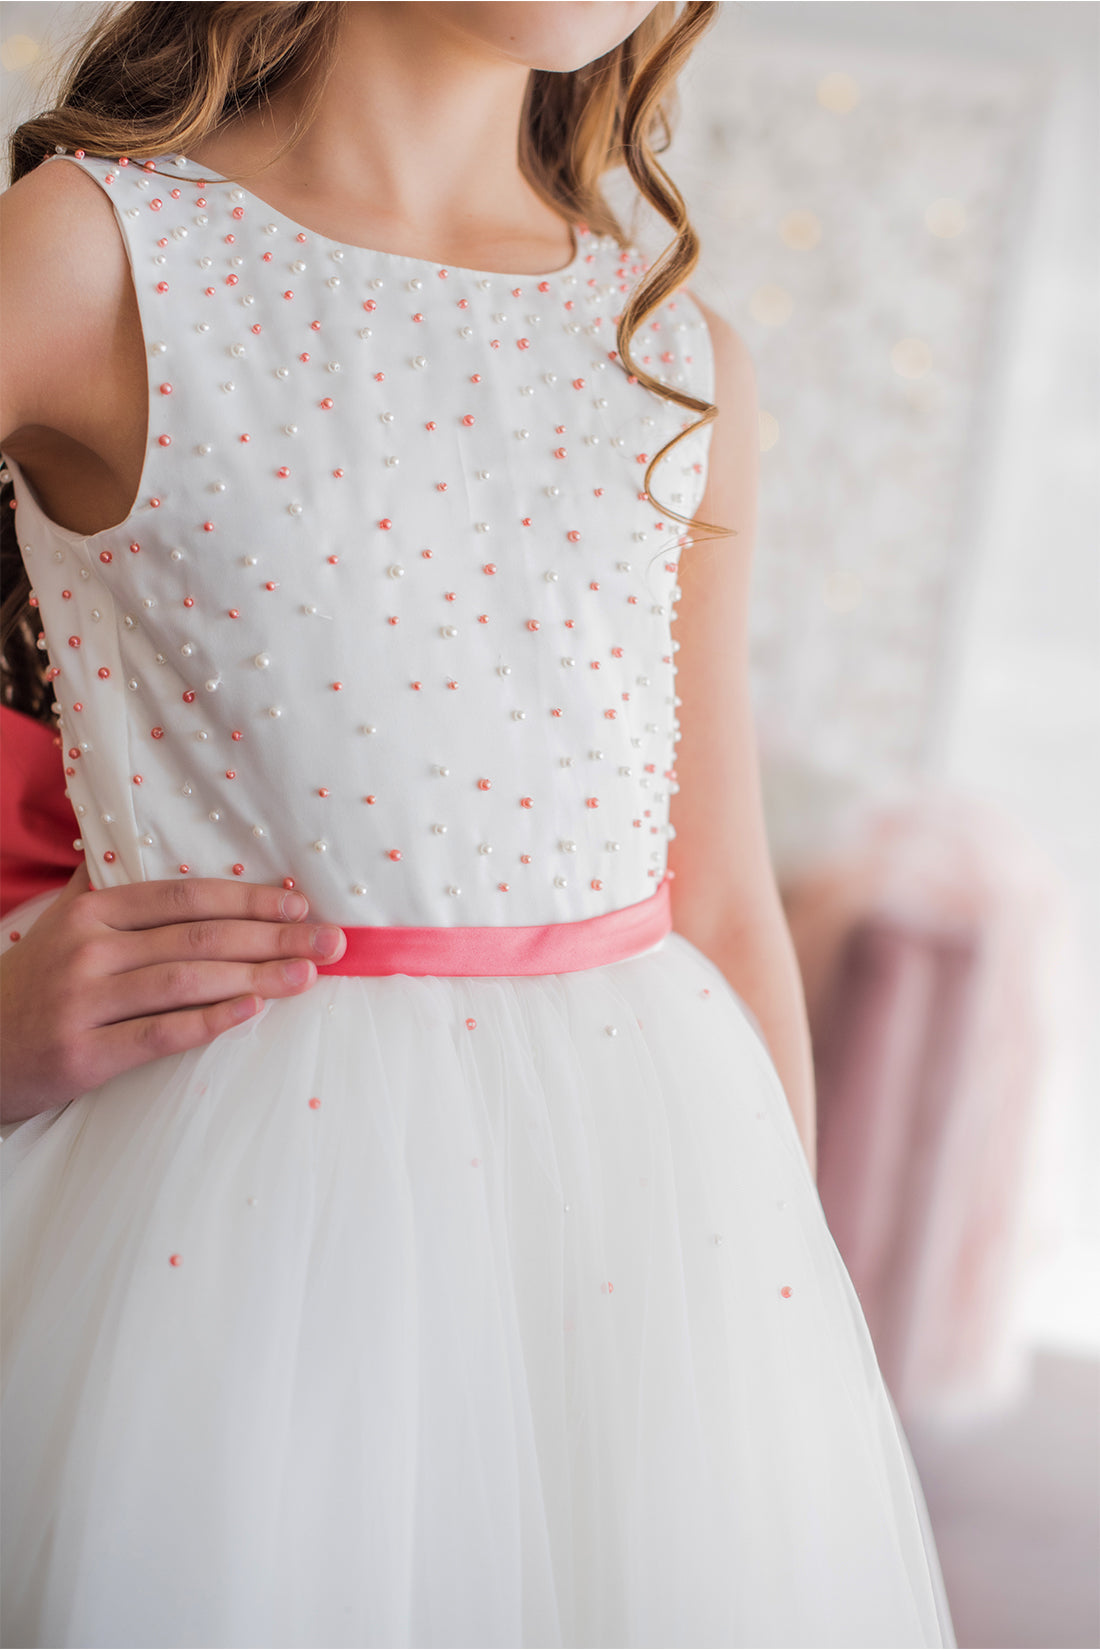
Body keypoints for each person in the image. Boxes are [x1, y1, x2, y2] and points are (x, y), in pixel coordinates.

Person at [0, 3, 956, 1645]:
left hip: (648, 1224)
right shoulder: (95, 252)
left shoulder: (674, 349)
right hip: (228, 1248)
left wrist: (782, 1345)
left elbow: (717, 894)